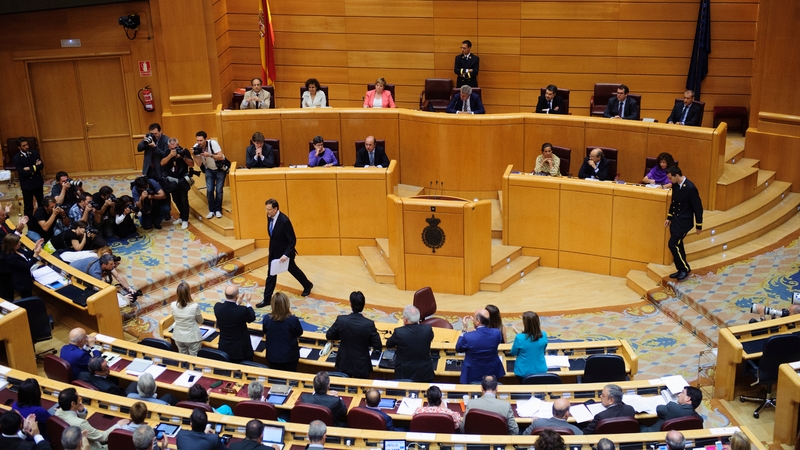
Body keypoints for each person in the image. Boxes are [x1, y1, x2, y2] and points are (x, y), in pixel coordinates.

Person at [258, 198, 313, 307]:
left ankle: (307, 285)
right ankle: (267, 299)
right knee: (271, 274)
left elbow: (292, 240)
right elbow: (272, 234)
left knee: (293, 270)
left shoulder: (284, 221)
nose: (267, 211)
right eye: (266, 209)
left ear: (275, 209)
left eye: (269, 209)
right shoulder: (269, 216)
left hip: (285, 253)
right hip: (274, 251)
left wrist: (286, 255)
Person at [326, 291, 382, 378]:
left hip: (344, 361)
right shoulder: (368, 324)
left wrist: (342, 336)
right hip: (361, 364)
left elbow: (329, 335)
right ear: (364, 305)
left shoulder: (341, 320)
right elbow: (377, 345)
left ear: (350, 304)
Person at [54, 388, 129, 450]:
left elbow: (74, 419)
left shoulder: (58, 412)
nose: (80, 400)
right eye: (79, 398)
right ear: (73, 404)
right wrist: (118, 425)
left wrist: (81, 411)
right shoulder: (80, 423)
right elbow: (102, 437)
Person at [664, 165, 703, 281]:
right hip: (676, 221)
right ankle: (680, 269)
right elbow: (674, 203)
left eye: (670, 178)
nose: (669, 181)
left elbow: (698, 207)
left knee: (672, 244)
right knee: (678, 245)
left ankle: (685, 268)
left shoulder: (690, 188)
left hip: (685, 222)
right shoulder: (676, 186)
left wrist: (699, 225)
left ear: (677, 176)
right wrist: (669, 217)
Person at [385, 305, 435, 382]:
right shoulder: (427, 329)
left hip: (405, 374)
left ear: (405, 320)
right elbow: (430, 338)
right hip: (424, 372)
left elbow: (389, 344)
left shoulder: (399, 332)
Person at [456, 309, 505, 383]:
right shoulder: (497, 333)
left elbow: (458, 348)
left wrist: (464, 329)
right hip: (492, 370)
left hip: (472, 372)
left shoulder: (468, 337)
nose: (472, 320)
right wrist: (476, 322)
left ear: (478, 321)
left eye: (474, 318)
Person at [262, 292, 304, 371]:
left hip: (272, 356)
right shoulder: (292, 320)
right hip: (289, 357)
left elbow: (265, 331)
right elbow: (299, 332)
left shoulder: (267, 319)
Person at [214, 284, 256, 363]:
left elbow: (230, 313)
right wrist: (248, 303)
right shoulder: (242, 310)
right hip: (240, 350)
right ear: (237, 296)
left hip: (224, 347)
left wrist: (237, 304)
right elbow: (251, 318)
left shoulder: (217, 307)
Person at [161, 137, 195, 230]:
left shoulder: (184, 151)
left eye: (175, 148)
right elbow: (162, 163)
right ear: (168, 147)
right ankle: (181, 216)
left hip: (183, 179)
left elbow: (192, 164)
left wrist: (183, 157)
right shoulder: (167, 152)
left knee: (184, 199)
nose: (174, 150)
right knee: (176, 199)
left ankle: (185, 219)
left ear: (178, 145)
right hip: (172, 180)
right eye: (171, 148)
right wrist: (170, 156)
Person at [70, 254, 137, 300]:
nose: (113, 265)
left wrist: (129, 288)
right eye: (111, 264)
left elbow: (118, 276)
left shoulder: (105, 264)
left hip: (80, 265)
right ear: (104, 265)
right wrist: (122, 297)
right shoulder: (95, 272)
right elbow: (103, 288)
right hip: (71, 271)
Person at [191, 130, 226, 219]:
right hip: (209, 169)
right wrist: (195, 155)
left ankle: (218, 210)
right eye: (197, 141)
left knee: (219, 190)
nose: (199, 143)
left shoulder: (213, 143)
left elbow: (220, 156)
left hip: (219, 169)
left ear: (206, 139)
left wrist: (209, 155)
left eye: (201, 140)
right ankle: (211, 210)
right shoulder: (196, 147)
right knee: (209, 190)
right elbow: (199, 164)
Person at [2, 234, 43, 298]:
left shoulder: (18, 249)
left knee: (29, 296)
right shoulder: (11, 258)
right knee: (27, 298)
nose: (19, 243)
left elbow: (28, 255)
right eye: (17, 243)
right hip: (22, 282)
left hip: (27, 278)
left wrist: (36, 247)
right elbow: (26, 266)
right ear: (12, 245)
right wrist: (36, 255)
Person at [510, 311, 548, 379]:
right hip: (540, 371)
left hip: (523, 372)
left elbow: (513, 353)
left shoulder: (519, 338)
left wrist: (518, 334)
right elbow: (543, 350)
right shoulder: (544, 335)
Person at [13, 137, 44, 219]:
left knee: (41, 202)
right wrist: (34, 167)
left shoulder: (34, 153)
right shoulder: (16, 158)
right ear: (19, 147)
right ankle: (29, 222)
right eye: (24, 146)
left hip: (37, 182)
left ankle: (42, 218)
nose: (26, 147)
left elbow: (41, 166)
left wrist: (29, 168)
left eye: (27, 144)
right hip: (27, 184)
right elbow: (22, 172)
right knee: (28, 205)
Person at [171, 281, 204, 355]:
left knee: (182, 357)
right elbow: (200, 321)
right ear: (189, 293)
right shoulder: (194, 306)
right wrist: (191, 300)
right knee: (193, 359)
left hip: (178, 337)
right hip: (192, 338)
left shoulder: (173, 305)